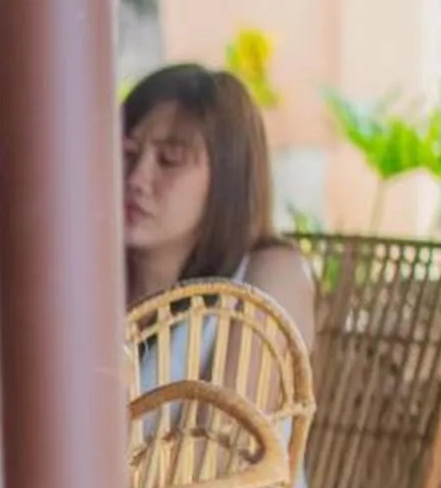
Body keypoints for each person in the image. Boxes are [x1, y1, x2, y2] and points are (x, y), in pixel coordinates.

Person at [121, 62, 315, 341]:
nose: (136, 179)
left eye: (170, 159)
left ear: (228, 177)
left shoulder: (269, 274)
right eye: (127, 154)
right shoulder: (87, 278)